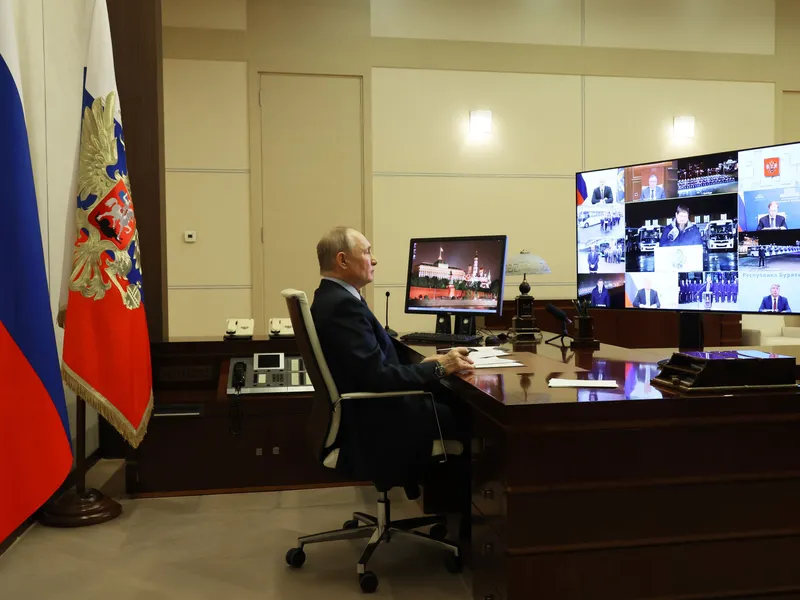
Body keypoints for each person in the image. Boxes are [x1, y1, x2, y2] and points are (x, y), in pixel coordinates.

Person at [310, 227, 473, 486]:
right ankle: (480, 519)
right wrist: (439, 368)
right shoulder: (342, 305)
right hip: (378, 421)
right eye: (366, 252)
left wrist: (425, 365)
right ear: (342, 260)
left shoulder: (332, 297)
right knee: (472, 416)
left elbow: (374, 365)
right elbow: (377, 377)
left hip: (367, 412)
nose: (374, 260)